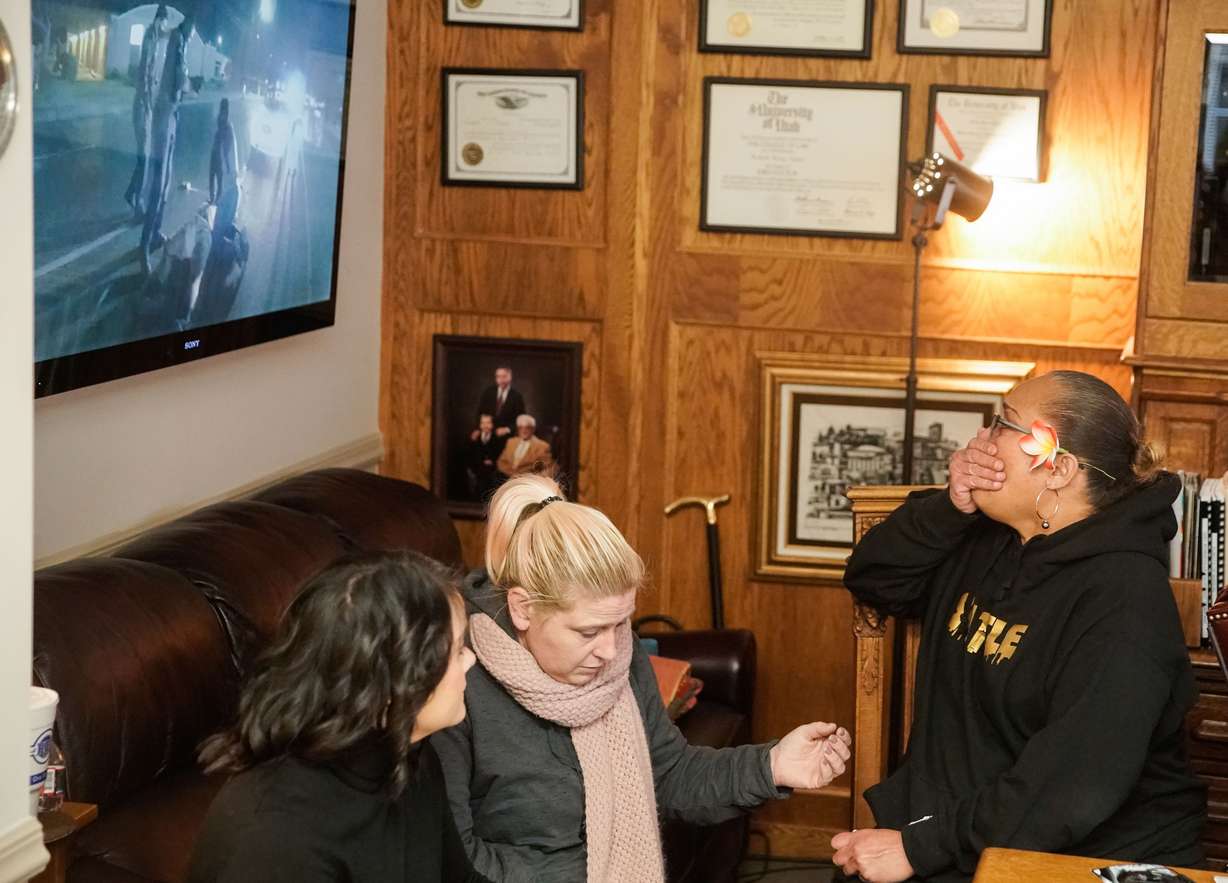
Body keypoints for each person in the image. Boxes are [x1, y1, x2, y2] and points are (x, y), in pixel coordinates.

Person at [831, 371, 1206, 883]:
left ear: (1059, 468)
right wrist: (951, 505)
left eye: (1001, 424)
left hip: (1068, 855)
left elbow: (1070, 787)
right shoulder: (986, 534)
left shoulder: (1125, 600)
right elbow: (873, 578)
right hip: (965, 833)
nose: (980, 440)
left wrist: (919, 848)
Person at [431, 473, 853, 882]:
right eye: (589, 632)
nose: (610, 650)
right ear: (523, 609)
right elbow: (453, 857)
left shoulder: (621, 655)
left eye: (620, 624)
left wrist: (773, 765)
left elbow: (670, 774)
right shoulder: (455, 682)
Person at [187, 552, 489, 883]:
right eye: (457, 650)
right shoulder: (277, 842)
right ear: (394, 684)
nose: (470, 660)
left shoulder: (409, 754)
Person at [140, 11, 193, 275]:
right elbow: (178, 81)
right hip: (164, 117)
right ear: (189, 25)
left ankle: (155, 233)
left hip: (172, 116)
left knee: (167, 183)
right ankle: (143, 247)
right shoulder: (176, 41)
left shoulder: (180, 41)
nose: (193, 35)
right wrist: (192, 85)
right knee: (158, 185)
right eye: (193, 30)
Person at [125, 4, 169, 217]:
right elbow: (145, 73)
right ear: (159, 20)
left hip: (145, 105)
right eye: (164, 22)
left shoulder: (155, 38)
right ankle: (137, 204)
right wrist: (148, 100)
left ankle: (131, 193)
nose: (165, 27)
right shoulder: (151, 38)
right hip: (143, 106)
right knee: (144, 158)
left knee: (144, 157)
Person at [208, 98, 241, 234]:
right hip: (227, 177)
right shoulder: (225, 130)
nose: (222, 116)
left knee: (223, 191)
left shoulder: (226, 130)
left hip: (227, 176)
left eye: (224, 113)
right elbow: (219, 160)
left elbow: (226, 155)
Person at [473, 366, 524, 441]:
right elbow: (480, 412)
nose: (501, 380)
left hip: (506, 437)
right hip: (487, 434)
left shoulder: (517, 396)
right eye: (498, 377)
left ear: (510, 377)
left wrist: (507, 429)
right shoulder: (488, 392)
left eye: (504, 376)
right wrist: (477, 428)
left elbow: (521, 419)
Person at [466, 414, 503, 500]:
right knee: (478, 483)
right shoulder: (475, 437)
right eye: (483, 423)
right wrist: (472, 441)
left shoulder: (497, 438)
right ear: (480, 425)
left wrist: (492, 461)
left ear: (492, 425)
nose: (485, 425)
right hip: (477, 467)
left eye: (488, 423)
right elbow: (470, 454)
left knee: (491, 483)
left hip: (492, 468)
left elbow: (499, 454)